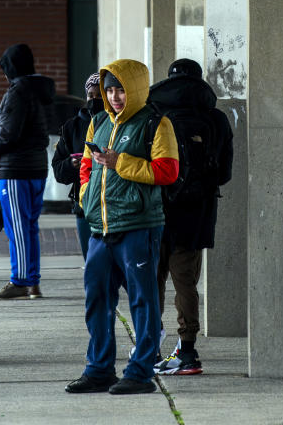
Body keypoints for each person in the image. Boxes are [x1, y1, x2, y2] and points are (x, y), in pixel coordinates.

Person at [65, 59, 179, 396]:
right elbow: (86, 167)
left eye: (121, 90)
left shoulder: (156, 124)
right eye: (110, 89)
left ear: (137, 89)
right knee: (97, 299)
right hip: (100, 227)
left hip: (139, 226)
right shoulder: (98, 121)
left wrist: (120, 162)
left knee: (143, 301)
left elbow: (167, 171)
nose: (115, 96)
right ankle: (99, 369)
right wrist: (87, 198)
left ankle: (140, 372)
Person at [150, 59, 234, 376]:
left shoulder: (157, 115)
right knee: (186, 284)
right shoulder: (216, 119)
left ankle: (150, 349)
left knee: (152, 281)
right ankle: (187, 352)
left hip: (157, 210)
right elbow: (224, 174)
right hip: (196, 213)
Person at [0, 43, 55, 300]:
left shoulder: (17, 93)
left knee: (17, 228)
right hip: (36, 167)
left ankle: (21, 281)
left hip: (15, 169)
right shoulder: (40, 91)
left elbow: (6, 135)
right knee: (29, 226)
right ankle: (32, 282)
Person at [51, 72, 104, 260]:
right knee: (91, 260)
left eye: (100, 95)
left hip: (113, 204)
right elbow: (58, 170)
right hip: (84, 204)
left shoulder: (118, 124)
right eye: (91, 96)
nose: (95, 100)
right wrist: (72, 164)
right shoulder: (72, 127)